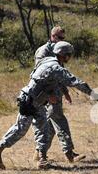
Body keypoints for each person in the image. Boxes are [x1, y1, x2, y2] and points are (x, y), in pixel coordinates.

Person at [0, 41, 98, 170]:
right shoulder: (56, 67)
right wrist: (93, 94)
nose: (69, 57)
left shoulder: (47, 60)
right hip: (29, 101)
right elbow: (76, 82)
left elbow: (43, 80)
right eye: (68, 55)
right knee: (20, 129)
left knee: (44, 129)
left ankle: (42, 159)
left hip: (39, 102)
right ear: (63, 55)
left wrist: (49, 94)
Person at [32, 26, 85, 163]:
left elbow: (60, 74)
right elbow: (40, 76)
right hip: (46, 93)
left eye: (63, 38)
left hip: (56, 92)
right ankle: (69, 153)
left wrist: (65, 92)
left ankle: (39, 152)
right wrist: (49, 94)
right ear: (52, 36)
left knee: (51, 124)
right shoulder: (43, 51)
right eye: (60, 38)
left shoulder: (60, 50)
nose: (62, 41)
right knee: (59, 120)